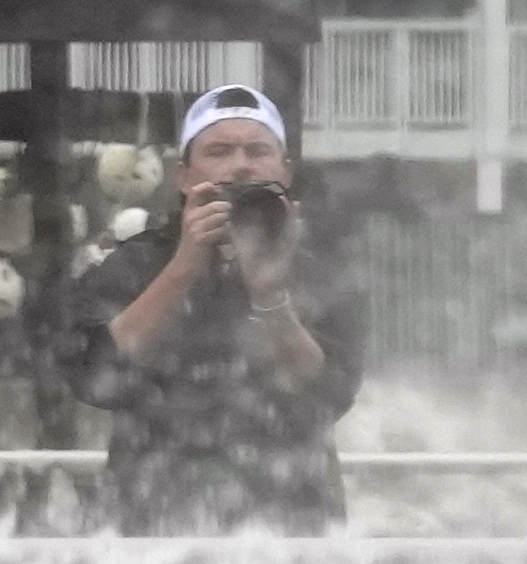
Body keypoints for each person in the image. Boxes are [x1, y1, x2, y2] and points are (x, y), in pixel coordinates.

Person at [51, 84, 365, 535]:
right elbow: (93, 375)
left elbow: (331, 395)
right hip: (153, 512)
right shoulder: (136, 261)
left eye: (258, 150)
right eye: (219, 151)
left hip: (291, 518)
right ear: (183, 176)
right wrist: (183, 266)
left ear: (285, 170)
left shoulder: (320, 269)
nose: (241, 166)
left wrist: (270, 296)